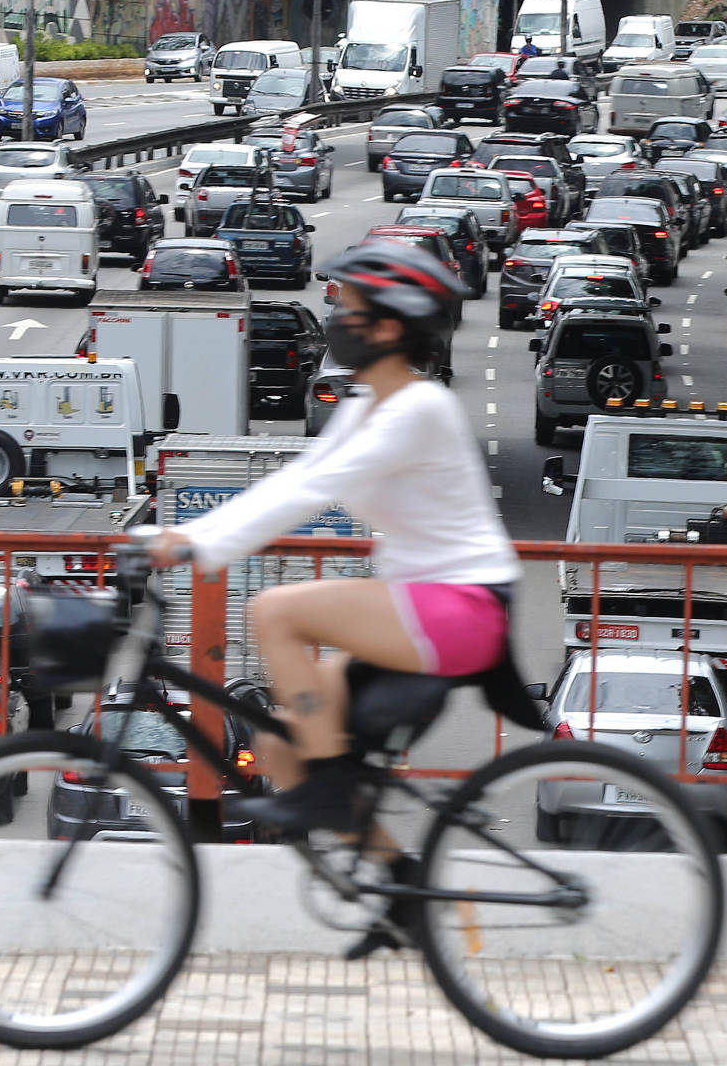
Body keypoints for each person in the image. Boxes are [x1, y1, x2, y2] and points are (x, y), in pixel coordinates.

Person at [149, 242, 517, 833]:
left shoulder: (417, 406)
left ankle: (326, 796)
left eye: (352, 310)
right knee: (292, 745)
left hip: (458, 604)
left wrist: (193, 546)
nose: (338, 321)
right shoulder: (370, 403)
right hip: (425, 604)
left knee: (274, 612)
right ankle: (393, 898)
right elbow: (297, 476)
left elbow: (312, 489)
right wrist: (183, 535)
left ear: (391, 326)